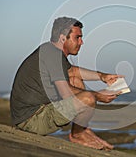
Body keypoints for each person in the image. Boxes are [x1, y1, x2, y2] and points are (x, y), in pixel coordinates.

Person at [10, 17, 122, 150]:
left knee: (76, 80)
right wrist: (98, 96)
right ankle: (77, 135)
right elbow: (65, 92)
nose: (81, 42)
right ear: (63, 38)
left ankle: (82, 130)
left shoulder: (51, 51)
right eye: (77, 38)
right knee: (88, 98)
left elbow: (73, 72)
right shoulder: (52, 55)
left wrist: (102, 76)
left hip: (35, 113)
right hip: (32, 120)